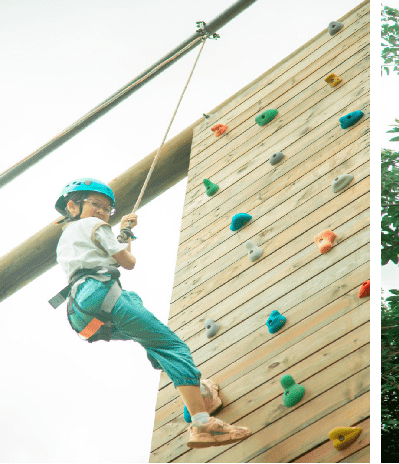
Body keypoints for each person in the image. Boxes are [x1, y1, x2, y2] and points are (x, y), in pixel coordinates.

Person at [51, 178, 251, 449]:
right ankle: (203, 423)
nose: (102, 211)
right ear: (73, 206)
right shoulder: (94, 226)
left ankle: (200, 391)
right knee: (172, 345)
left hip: (82, 315)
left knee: (148, 333)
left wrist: (125, 233)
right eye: (95, 204)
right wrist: (121, 233)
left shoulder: (68, 238)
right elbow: (128, 262)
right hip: (101, 294)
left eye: (107, 208)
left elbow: (113, 258)